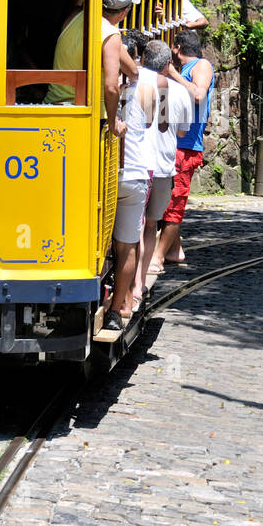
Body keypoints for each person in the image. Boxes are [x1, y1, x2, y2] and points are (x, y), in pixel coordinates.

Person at [105, 29, 159, 331]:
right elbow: (151, 121)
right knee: (126, 245)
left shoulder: (103, 81)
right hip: (136, 172)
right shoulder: (150, 86)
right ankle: (117, 309)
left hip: (107, 172)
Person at [135, 38, 191, 294]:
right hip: (162, 166)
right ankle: (140, 281)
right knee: (150, 225)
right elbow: (177, 132)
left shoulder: (134, 82)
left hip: (136, 162)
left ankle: (131, 280)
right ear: (168, 64)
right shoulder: (175, 90)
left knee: (131, 225)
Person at [158, 29, 215, 267]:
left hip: (186, 145)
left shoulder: (200, 65)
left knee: (175, 201)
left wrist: (172, 74)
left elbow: (199, 95)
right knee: (166, 201)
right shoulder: (183, 71)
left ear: (177, 48)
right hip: (175, 142)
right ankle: (174, 249)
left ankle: (158, 256)